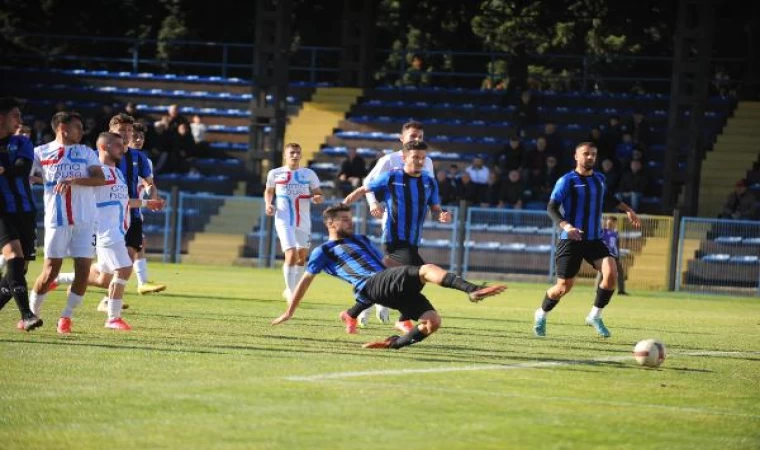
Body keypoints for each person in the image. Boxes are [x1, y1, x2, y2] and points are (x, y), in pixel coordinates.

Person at [270, 203, 507, 349]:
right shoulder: (323, 251)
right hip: (370, 286)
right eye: (344, 219)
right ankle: (472, 290)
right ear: (330, 224)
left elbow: (386, 262)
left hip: (387, 285)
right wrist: (290, 311)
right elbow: (306, 280)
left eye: (350, 218)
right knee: (426, 270)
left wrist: (411, 267)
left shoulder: (361, 239)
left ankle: (395, 343)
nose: (350, 222)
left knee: (432, 322)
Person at [344, 140, 451, 334]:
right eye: (415, 157)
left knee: (390, 282)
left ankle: (353, 312)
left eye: (422, 157)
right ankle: (403, 318)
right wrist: (351, 199)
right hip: (394, 240)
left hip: (413, 241)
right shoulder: (392, 177)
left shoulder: (428, 181)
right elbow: (365, 188)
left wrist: (442, 214)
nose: (419, 161)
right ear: (404, 158)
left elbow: (435, 208)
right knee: (419, 274)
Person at [534, 142, 641, 338]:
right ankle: (541, 314)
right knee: (563, 288)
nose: (590, 157)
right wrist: (566, 226)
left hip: (594, 240)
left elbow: (609, 197)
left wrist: (628, 210)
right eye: (586, 154)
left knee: (611, 273)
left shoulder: (599, 179)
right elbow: (551, 207)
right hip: (571, 239)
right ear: (576, 156)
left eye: (593, 154)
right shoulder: (567, 180)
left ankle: (595, 315)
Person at [29, 111, 106, 334]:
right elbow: (27, 174)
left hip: (85, 221)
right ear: (62, 128)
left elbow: (99, 179)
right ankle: (32, 313)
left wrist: (74, 180)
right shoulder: (40, 152)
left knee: (83, 270)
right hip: (56, 220)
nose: (82, 131)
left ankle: (66, 316)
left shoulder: (86, 152)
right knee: (50, 271)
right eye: (77, 127)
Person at [359, 121, 434, 326]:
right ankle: (386, 309)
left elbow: (429, 187)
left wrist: (434, 209)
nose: (416, 140)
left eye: (419, 136)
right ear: (402, 139)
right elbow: (368, 184)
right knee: (413, 269)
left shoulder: (427, 162)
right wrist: (373, 203)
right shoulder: (389, 160)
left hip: (414, 226)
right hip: (393, 223)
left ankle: (368, 304)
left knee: (399, 270)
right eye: (412, 136)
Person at [91, 132, 164, 329]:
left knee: (102, 277)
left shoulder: (118, 173)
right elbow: (78, 188)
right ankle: (113, 318)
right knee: (124, 267)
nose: (122, 149)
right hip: (105, 231)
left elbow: (125, 202)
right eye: (117, 145)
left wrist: (149, 203)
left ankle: (59, 279)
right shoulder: (95, 171)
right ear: (105, 147)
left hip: (119, 229)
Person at [0, 98, 43, 331]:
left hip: (25, 211)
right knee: (14, 258)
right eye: (15, 115)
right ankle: (27, 315)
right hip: (2, 213)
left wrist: (4, 169)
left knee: (18, 270)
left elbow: (22, 168)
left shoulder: (22, 142)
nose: (20, 120)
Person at [265, 143, 324, 300]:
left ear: (301, 155)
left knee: (302, 256)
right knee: (290, 254)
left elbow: (319, 193)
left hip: (303, 220)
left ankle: (294, 289)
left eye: (298, 152)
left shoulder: (309, 174)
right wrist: (268, 204)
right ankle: (291, 292)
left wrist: (318, 198)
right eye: (291, 152)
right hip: (284, 218)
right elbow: (269, 191)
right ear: (285, 155)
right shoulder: (274, 173)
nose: (295, 155)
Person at [595, 216, 629, 295]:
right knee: (602, 273)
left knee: (620, 272)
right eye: (609, 221)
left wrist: (618, 255)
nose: (610, 223)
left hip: (615, 256)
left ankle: (621, 290)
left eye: (613, 222)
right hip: (605, 255)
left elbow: (617, 245)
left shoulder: (616, 233)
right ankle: (597, 289)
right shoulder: (602, 231)